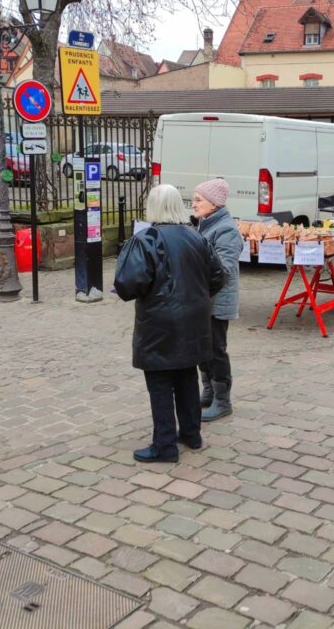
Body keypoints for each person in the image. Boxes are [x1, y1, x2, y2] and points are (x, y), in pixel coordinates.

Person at [114, 184, 224, 463]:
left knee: (161, 382)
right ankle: (191, 433)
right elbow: (218, 277)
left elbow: (128, 285)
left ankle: (164, 445)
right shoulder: (197, 238)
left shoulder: (147, 239)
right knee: (186, 375)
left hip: (159, 323)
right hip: (192, 320)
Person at [191, 178, 241, 421]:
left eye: (198, 200)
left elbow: (223, 270)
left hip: (217, 301)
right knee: (203, 348)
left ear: (214, 204)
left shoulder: (226, 229)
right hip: (203, 299)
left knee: (215, 350)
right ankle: (209, 390)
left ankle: (223, 400)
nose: (193, 204)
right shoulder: (204, 224)